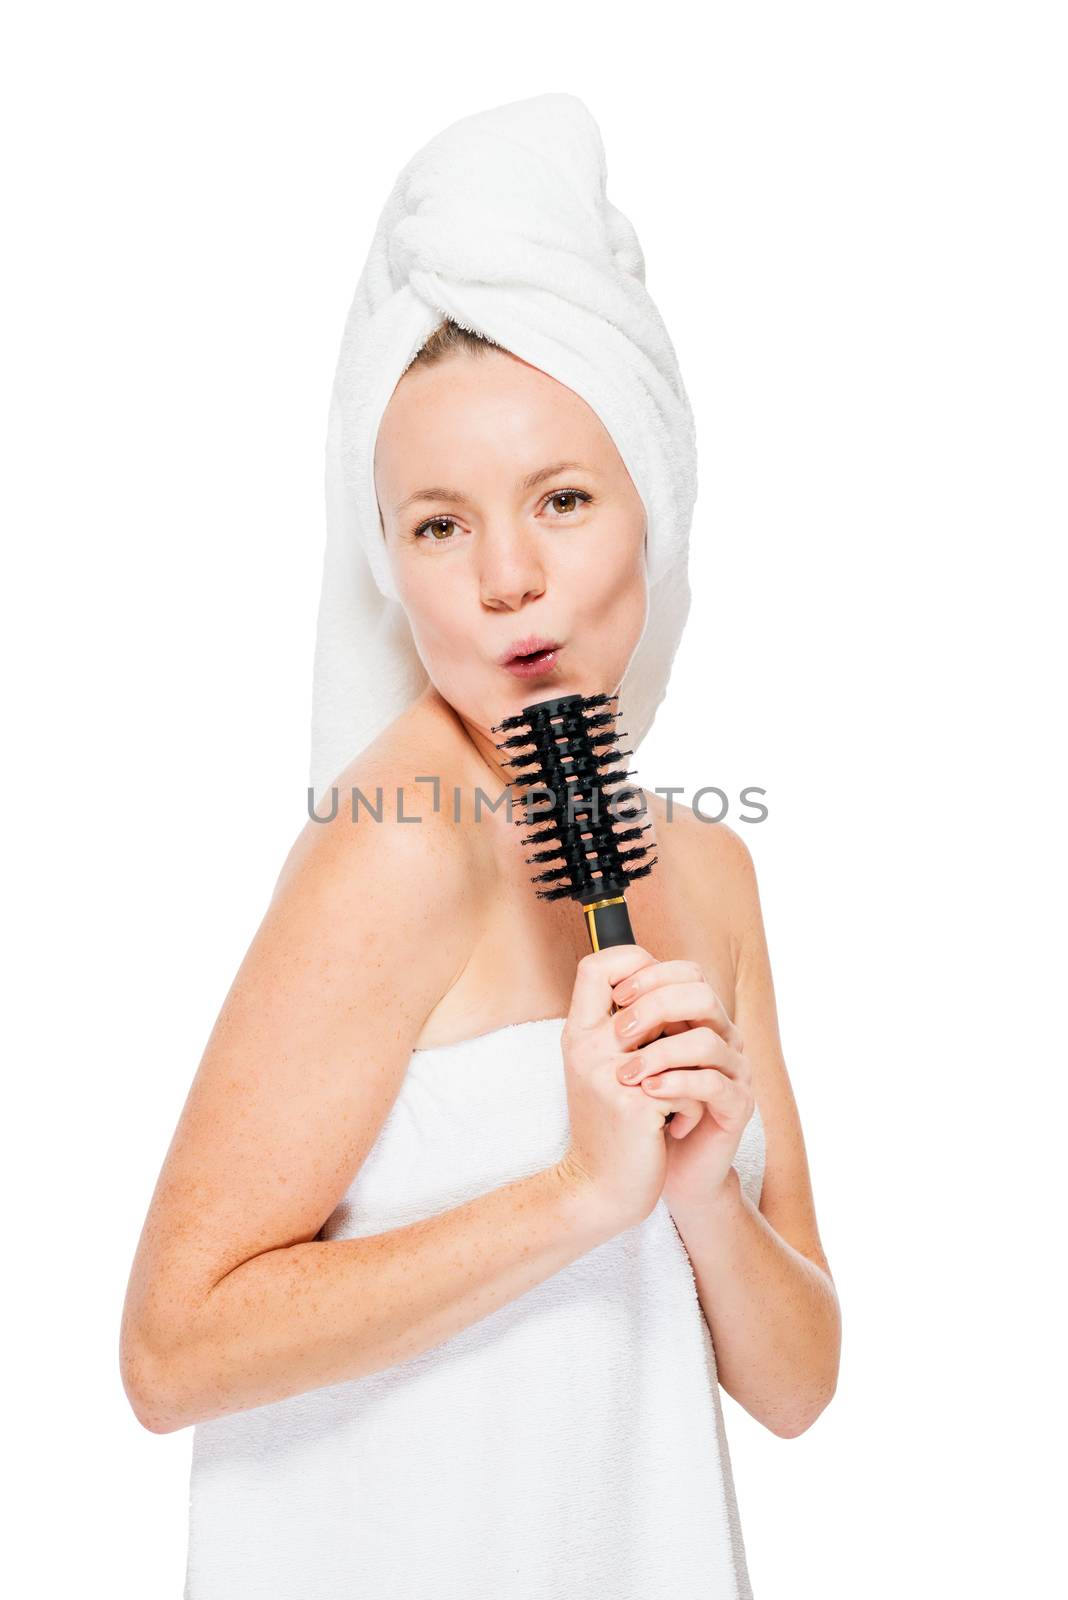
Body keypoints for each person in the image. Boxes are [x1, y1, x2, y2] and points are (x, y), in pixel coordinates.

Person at [120, 96, 840, 1600]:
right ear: (389, 562)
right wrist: (580, 1193)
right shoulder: (396, 844)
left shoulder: (708, 873)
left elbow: (793, 1386)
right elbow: (172, 1348)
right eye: (439, 527)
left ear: (657, 505)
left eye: (563, 501)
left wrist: (698, 1190)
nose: (509, 580)